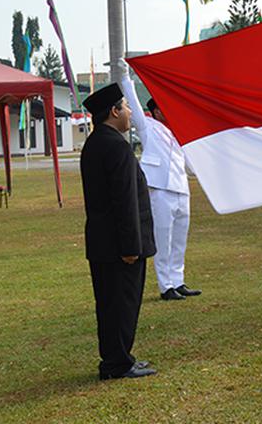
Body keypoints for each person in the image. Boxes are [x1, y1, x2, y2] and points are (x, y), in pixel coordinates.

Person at [80, 82, 157, 380]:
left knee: (111, 305)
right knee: (121, 305)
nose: (128, 113)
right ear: (113, 111)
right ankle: (117, 363)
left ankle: (117, 358)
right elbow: (124, 202)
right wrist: (130, 247)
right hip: (118, 246)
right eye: (125, 107)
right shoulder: (115, 146)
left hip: (102, 243)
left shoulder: (96, 142)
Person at [120, 66, 201, 302]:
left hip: (181, 189)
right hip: (161, 190)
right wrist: (127, 78)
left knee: (179, 239)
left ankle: (178, 280)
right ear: (155, 111)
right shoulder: (149, 128)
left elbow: (190, 166)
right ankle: (166, 286)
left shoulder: (178, 132)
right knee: (163, 239)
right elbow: (134, 106)